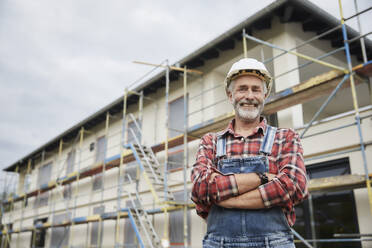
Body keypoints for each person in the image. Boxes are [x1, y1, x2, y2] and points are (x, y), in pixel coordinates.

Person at [191, 58, 308, 247]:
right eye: (242, 89)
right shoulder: (211, 141)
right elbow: (200, 189)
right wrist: (263, 177)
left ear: (265, 95)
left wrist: (226, 200)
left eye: (256, 89)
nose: (249, 95)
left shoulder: (286, 138)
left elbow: (294, 186)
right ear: (230, 96)